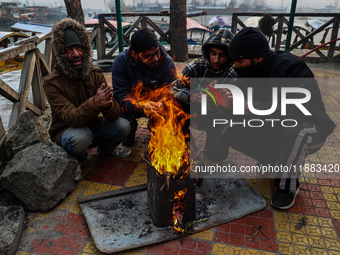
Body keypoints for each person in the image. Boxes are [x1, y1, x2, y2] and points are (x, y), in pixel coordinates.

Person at [218, 27, 335, 209]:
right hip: (276, 126)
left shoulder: (292, 67)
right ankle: (272, 159)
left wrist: (251, 107)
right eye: (234, 60)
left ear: (258, 58)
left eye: (239, 60)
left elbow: (297, 110)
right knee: (228, 128)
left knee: (298, 132)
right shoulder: (245, 72)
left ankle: (287, 187)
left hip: (311, 127)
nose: (236, 65)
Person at [43, 18, 131, 165]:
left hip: (92, 127)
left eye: (79, 48)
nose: (76, 54)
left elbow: (114, 114)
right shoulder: (52, 83)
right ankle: (76, 160)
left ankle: (106, 150)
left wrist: (108, 105)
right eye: (68, 50)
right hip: (67, 131)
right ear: (60, 55)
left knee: (123, 125)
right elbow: (71, 118)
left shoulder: (95, 73)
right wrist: (95, 103)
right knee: (81, 138)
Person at [172, 29, 237, 161]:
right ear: (207, 53)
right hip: (194, 111)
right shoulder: (199, 64)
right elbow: (173, 88)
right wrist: (191, 96)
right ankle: (185, 141)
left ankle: (212, 142)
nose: (216, 59)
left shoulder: (234, 73)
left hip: (218, 120)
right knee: (171, 106)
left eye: (222, 55)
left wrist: (219, 101)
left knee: (216, 154)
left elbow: (235, 109)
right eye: (213, 54)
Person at [111, 28, 177, 146]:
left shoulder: (166, 61)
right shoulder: (120, 62)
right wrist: (140, 106)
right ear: (135, 55)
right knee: (125, 131)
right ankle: (130, 130)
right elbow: (121, 95)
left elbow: (171, 91)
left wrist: (162, 104)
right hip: (133, 105)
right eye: (148, 56)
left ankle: (154, 125)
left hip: (157, 105)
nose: (156, 59)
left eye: (157, 53)